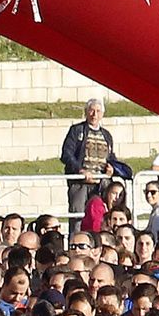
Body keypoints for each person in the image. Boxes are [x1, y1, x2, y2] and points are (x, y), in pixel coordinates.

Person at [60, 98, 116, 232]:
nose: (94, 114)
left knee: (100, 218)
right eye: (91, 110)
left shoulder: (106, 135)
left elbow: (111, 156)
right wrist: (80, 171)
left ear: (102, 114)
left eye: (98, 111)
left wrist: (112, 169)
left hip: (101, 184)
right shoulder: (76, 131)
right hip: (80, 184)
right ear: (86, 112)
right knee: (78, 218)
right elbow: (66, 154)